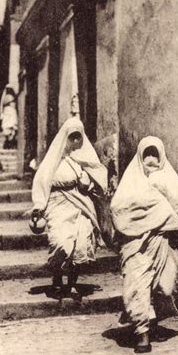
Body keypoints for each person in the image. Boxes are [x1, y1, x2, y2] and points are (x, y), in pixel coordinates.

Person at [110, 136, 178, 354]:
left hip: (160, 240)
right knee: (137, 284)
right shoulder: (131, 181)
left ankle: (148, 322)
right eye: (147, 155)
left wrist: (167, 215)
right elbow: (118, 209)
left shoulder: (167, 180)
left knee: (164, 286)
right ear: (140, 158)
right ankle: (142, 334)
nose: (151, 160)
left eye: (156, 155)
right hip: (136, 244)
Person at [29, 116, 108, 297]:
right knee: (61, 243)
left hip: (80, 203)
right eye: (71, 137)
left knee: (80, 243)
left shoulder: (85, 159)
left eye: (77, 137)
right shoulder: (54, 159)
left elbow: (98, 180)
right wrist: (39, 205)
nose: (74, 141)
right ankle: (57, 279)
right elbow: (42, 181)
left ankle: (72, 283)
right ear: (65, 137)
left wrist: (86, 184)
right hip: (58, 203)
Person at [0, 85, 18, 149]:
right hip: (7, 114)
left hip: (11, 113)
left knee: (12, 127)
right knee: (6, 127)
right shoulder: (6, 98)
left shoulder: (12, 98)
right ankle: (8, 143)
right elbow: (2, 105)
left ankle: (11, 143)